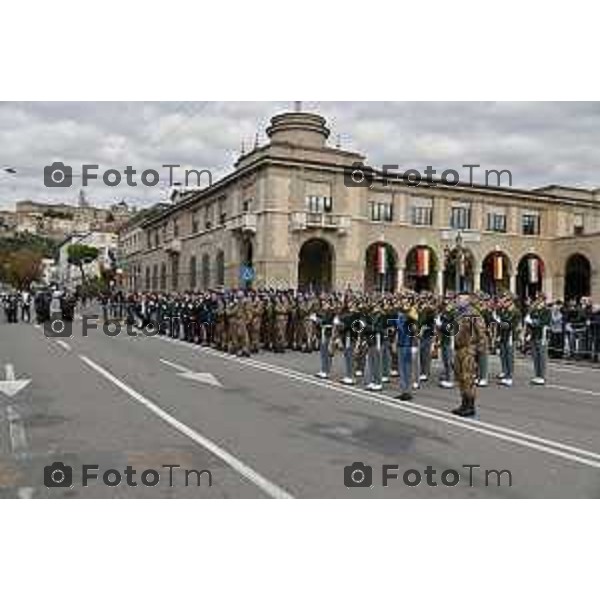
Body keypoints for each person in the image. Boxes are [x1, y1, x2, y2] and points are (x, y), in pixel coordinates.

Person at [451, 293, 487, 417]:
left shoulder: (473, 314)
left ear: (467, 301)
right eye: (458, 299)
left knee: (468, 378)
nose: (458, 301)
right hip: (459, 348)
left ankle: (470, 405)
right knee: (460, 377)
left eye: (460, 299)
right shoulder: (458, 314)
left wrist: (478, 350)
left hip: (469, 349)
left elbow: (481, 332)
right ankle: (464, 403)